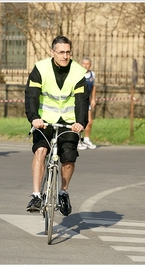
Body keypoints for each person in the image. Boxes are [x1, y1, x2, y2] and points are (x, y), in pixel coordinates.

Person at [24, 35, 89, 216]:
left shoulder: (78, 72)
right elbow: (31, 96)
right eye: (61, 52)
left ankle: (63, 192)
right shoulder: (40, 68)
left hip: (69, 122)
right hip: (45, 121)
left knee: (68, 157)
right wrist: (34, 118)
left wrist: (80, 122)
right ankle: (36, 195)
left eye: (68, 52)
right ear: (52, 52)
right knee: (41, 151)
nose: (65, 56)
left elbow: (82, 101)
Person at [78, 57, 97, 150]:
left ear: (90, 65)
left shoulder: (92, 75)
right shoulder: (78, 74)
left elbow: (93, 87)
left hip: (87, 100)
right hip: (78, 101)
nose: (85, 66)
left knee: (89, 121)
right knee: (79, 121)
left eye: (87, 64)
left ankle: (86, 139)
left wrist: (93, 99)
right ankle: (78, 140)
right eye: (84, 64)